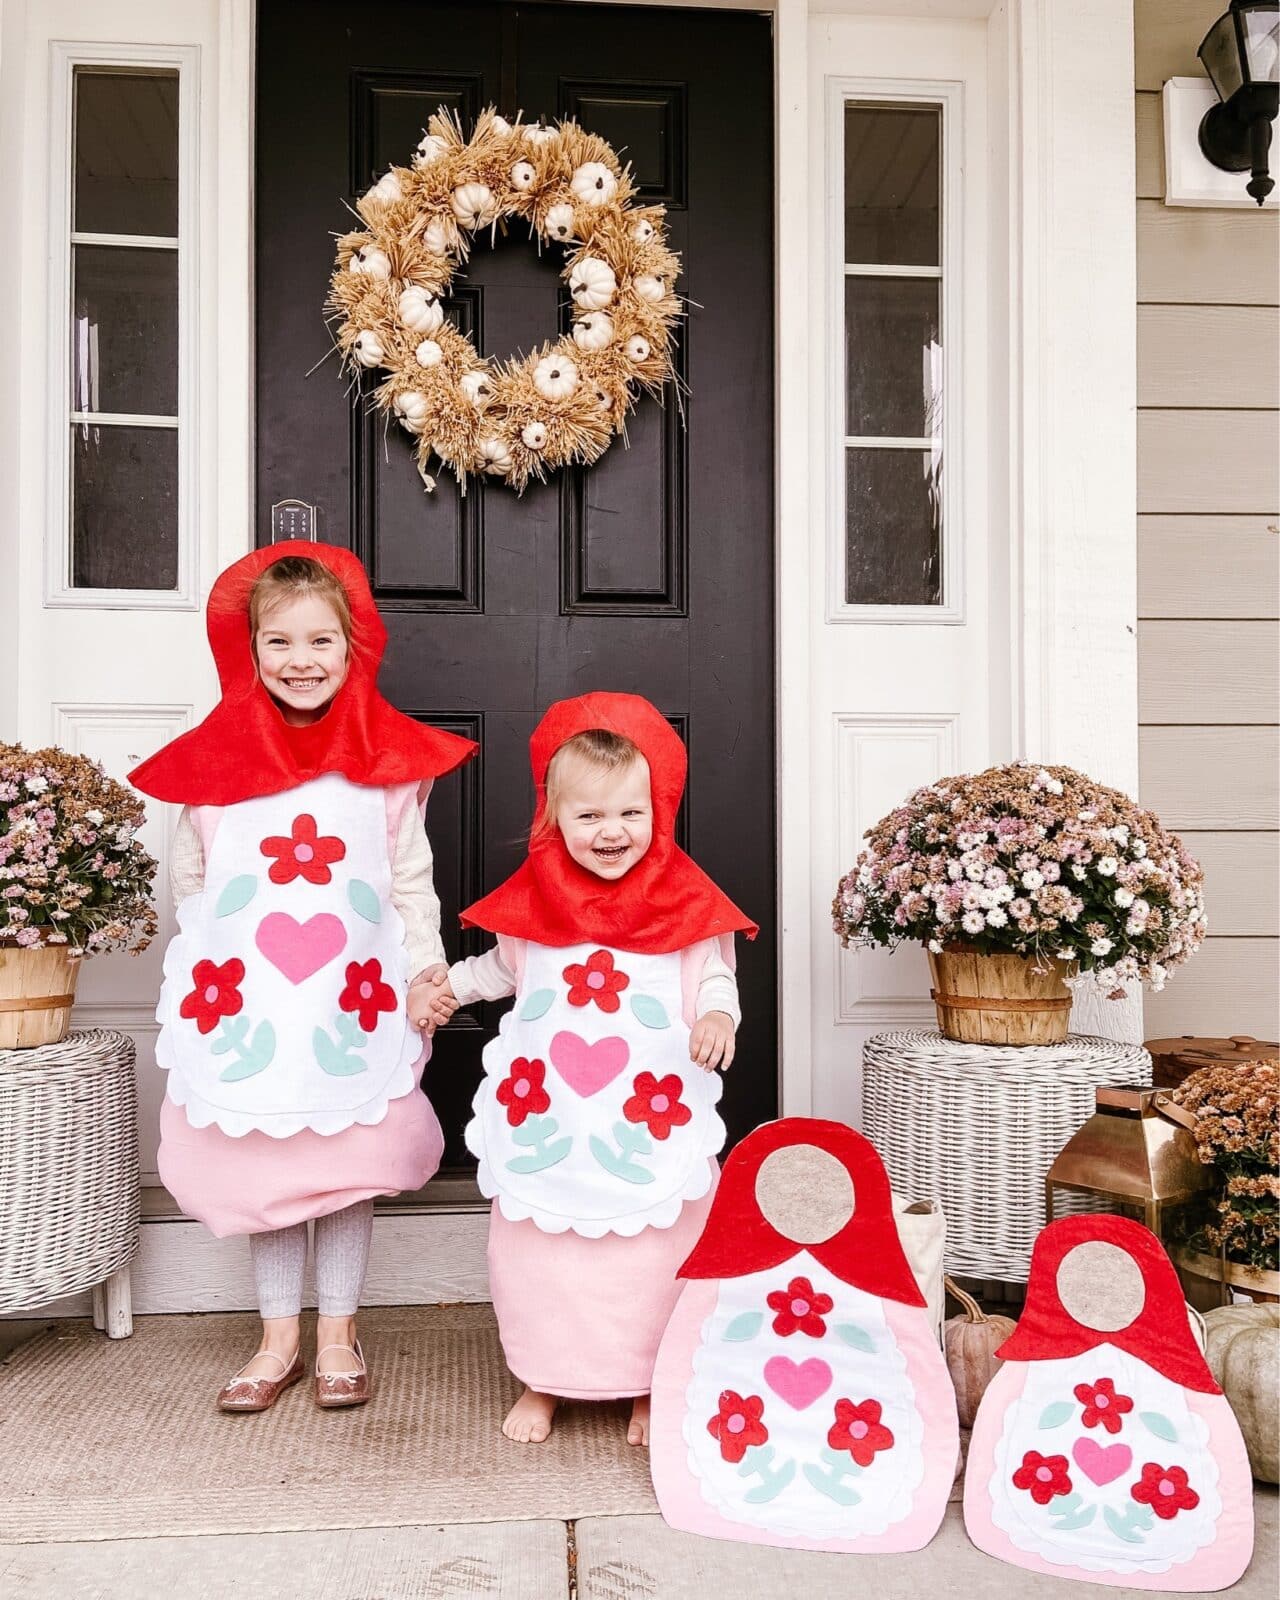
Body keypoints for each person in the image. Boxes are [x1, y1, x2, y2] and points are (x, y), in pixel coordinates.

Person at [130, 542, 475, 1413]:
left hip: (350, 999)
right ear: (248, 653)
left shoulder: (388, 775)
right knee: (267, 1162)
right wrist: (206, 975)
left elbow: (407, 883)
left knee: (343, 1161)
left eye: (321, 642)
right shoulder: (211, 772)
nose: (301, 661)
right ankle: (278, 1333)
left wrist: (425, 970)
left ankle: (338, 1331)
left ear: (354, 648)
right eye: (279, 643)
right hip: (252, 1000)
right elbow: (194, 883)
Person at [424, 692, 755, 1445]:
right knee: (543, 1258)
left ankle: (648, 1383)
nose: (612, 833)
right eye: (590, 817)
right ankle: (544, 1378)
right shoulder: (535, 905)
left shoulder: (685, 905)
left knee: (651, 1256)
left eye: (630, 815)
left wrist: (715, 1016)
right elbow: (497, 971)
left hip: (646, 1119)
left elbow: (714, 977)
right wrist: (447, 989)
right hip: (552, 1120)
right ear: (554, 820)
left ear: (658, 811)